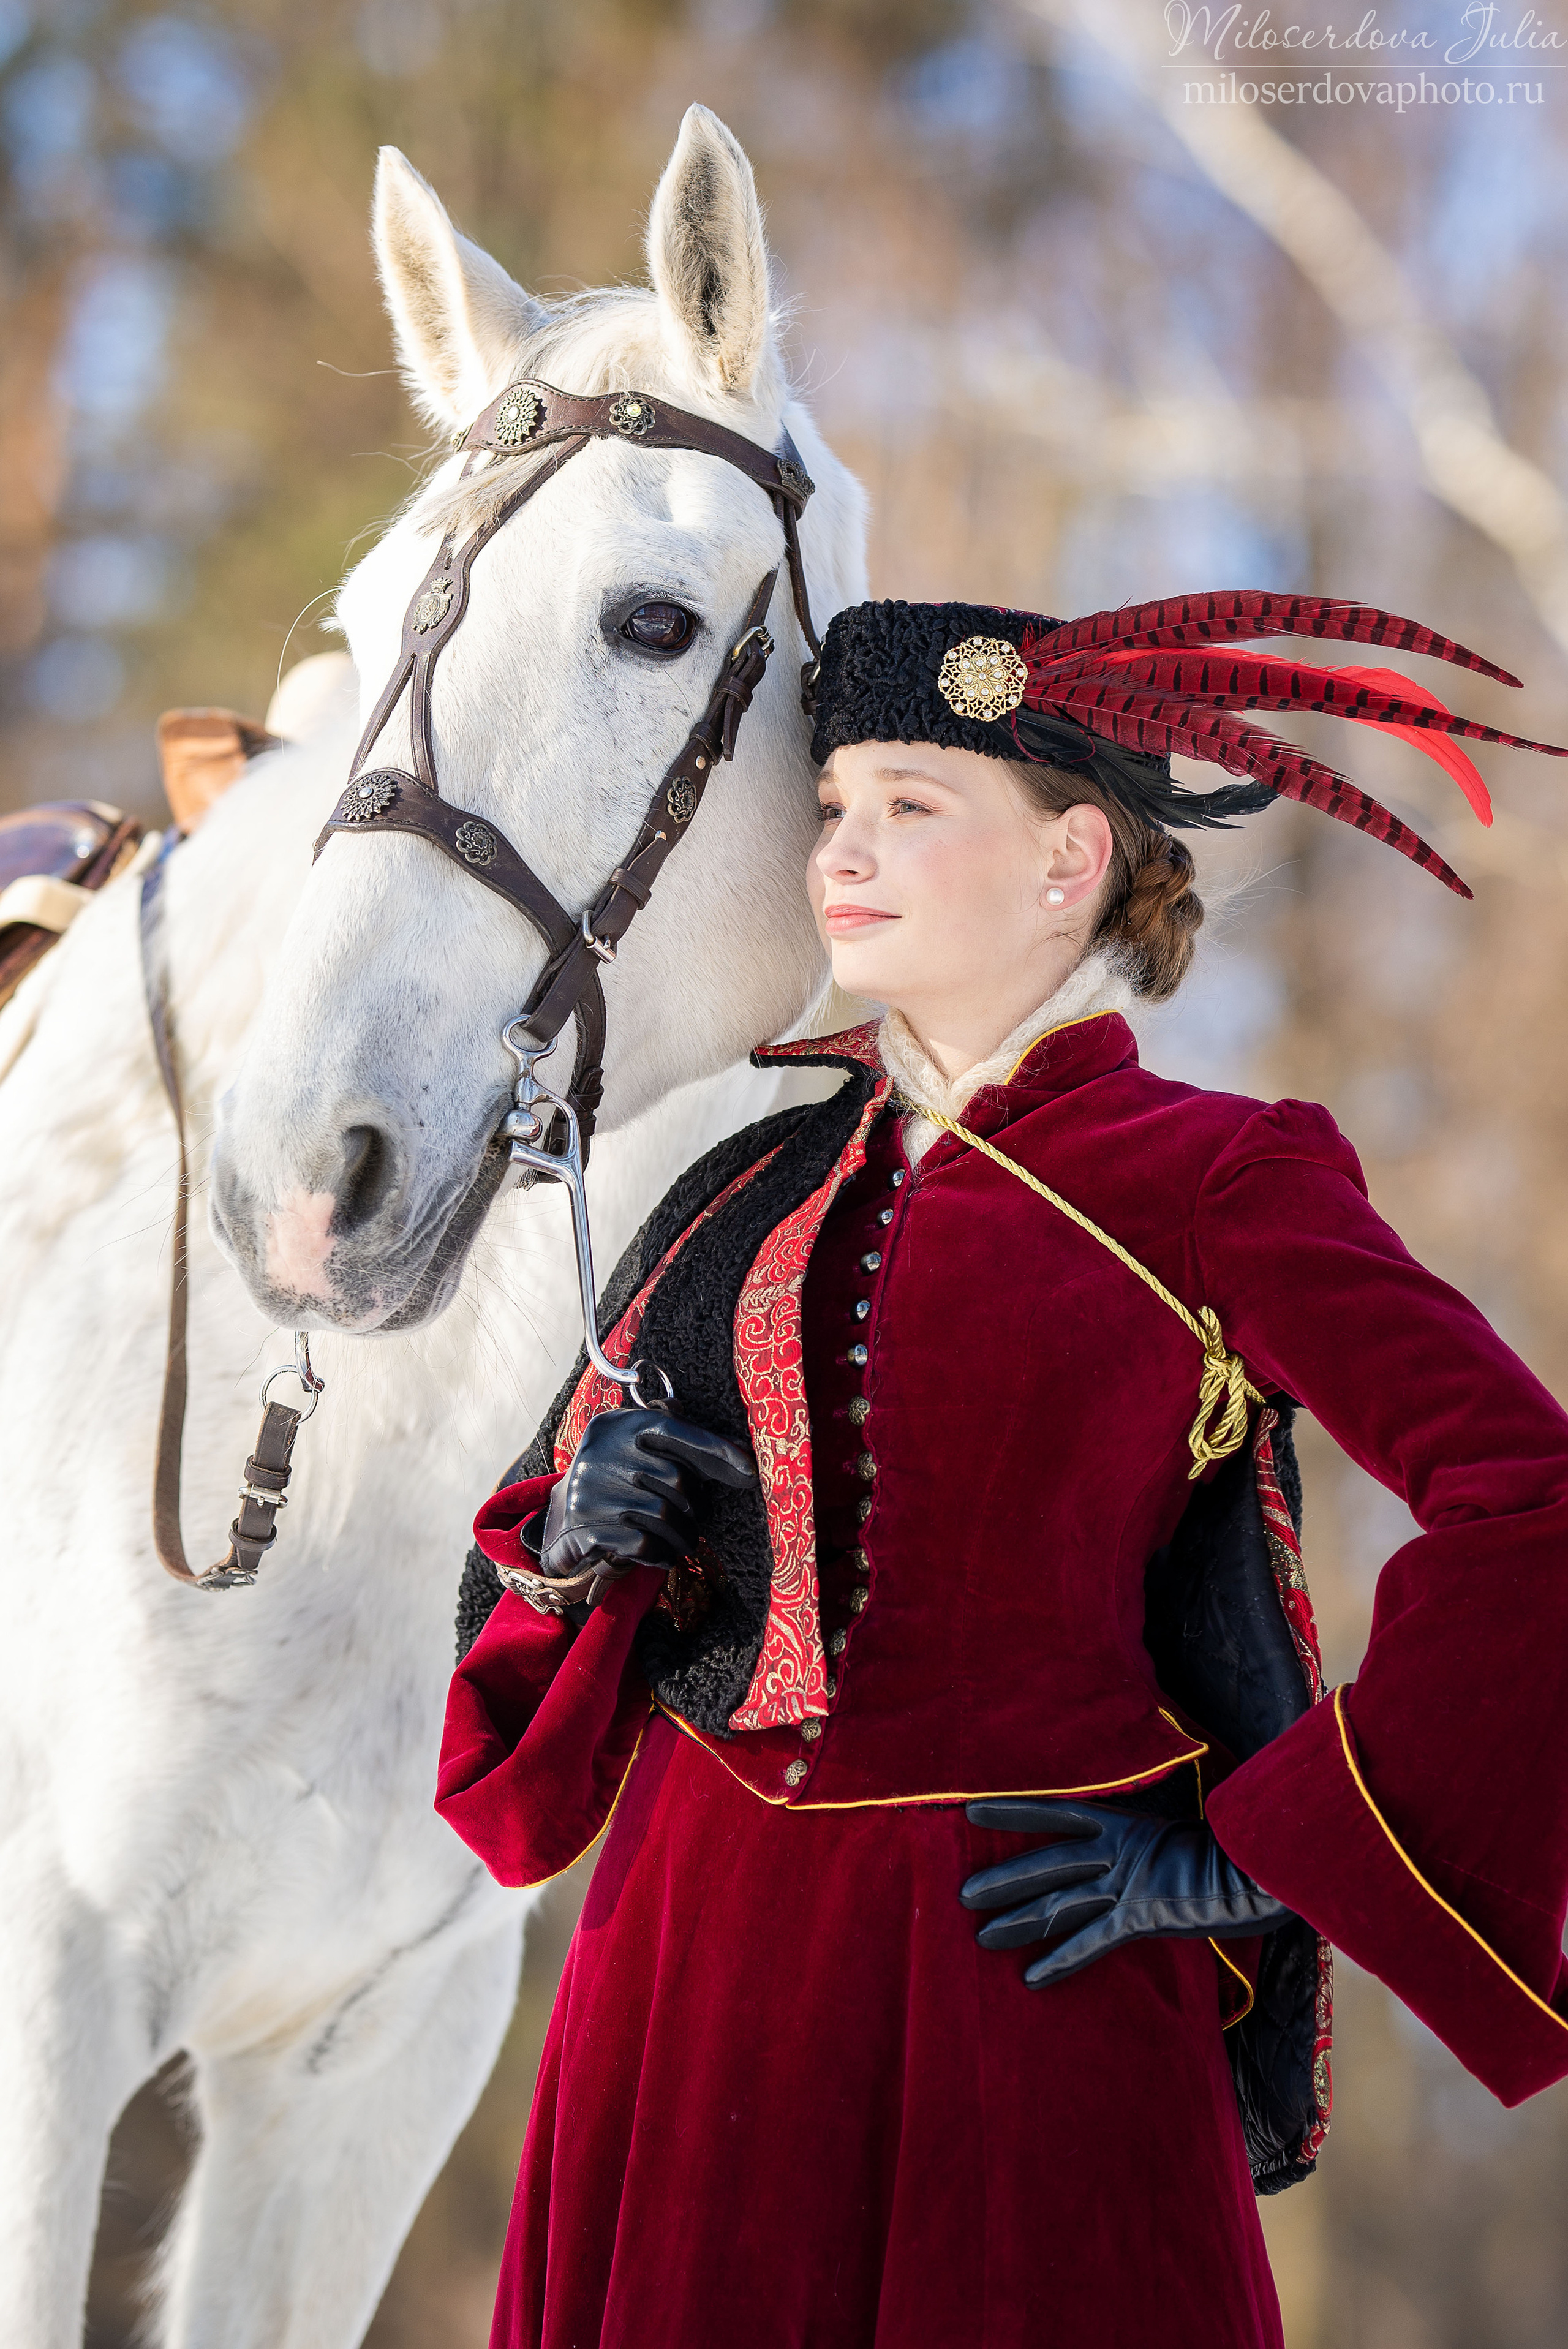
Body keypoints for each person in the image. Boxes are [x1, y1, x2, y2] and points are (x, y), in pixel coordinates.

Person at [437, 591, 1568, 2349]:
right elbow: (514, 1769)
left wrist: (1260, 1854)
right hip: (690, 1980)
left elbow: (1532, 1506)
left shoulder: (1216, 1173)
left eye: (909, 804)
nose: (843, 852)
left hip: (1027, 1977)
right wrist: (576, 1553)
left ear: (1069, 862)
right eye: (830, 811)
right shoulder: (736, 1182)